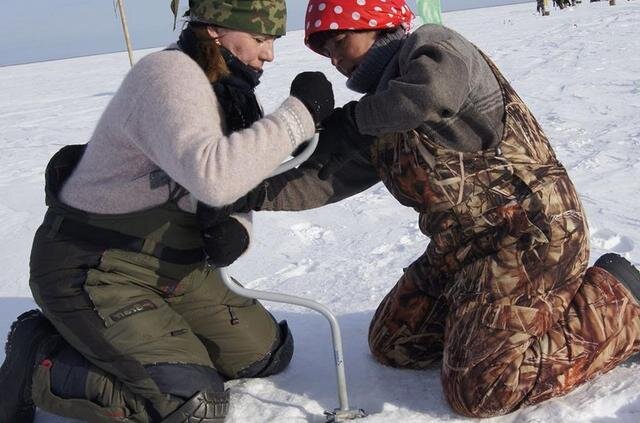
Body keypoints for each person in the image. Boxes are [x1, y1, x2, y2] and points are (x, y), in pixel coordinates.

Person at [214, 0, 640, 418]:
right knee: (393, 343)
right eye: (324, 50)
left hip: (530, 238)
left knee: (481, 388)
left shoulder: (436, 49)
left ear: (375, 22)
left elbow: (432, 93)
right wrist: (249, 190)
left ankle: (621, 302)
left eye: (338, 40)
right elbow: (325, 181)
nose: (334, 59)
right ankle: (495, 320)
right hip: (460, 251)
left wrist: (354, 121)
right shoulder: (380, 114)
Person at [0, 0, 335, 422]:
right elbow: (216, 175)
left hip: (170, 266)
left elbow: (239, 184)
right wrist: (298, 116)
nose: (269, 54)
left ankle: (147, 342)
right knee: (194, 405)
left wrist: (234, 225)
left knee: (265, 355)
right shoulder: (169, 79)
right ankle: (40, 361)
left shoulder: (231, 92)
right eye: (260, 39)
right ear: (216, 30)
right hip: (94, 267)